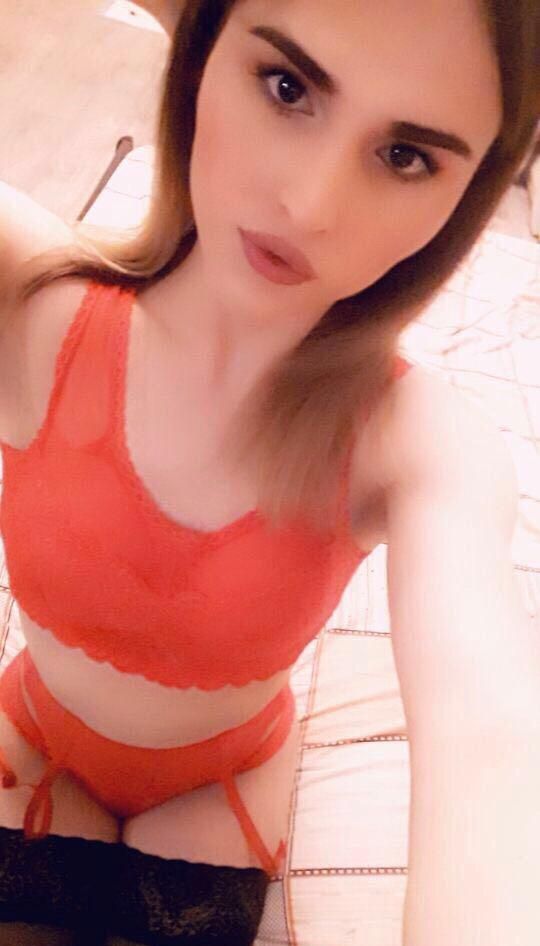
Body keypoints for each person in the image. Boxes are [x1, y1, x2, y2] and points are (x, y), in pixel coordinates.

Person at [0, 1, 537, 944]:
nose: (312, 204)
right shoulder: (31, 299)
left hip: (221, 788)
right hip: (31, 739)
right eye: (287, 86)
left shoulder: (418, 442)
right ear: (201, 49)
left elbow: (489, 742)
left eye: (406, 155)